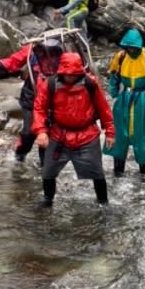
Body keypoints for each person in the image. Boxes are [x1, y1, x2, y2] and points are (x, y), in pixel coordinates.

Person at [31, 52, 115, 208]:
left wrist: (110, 131)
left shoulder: (90, 83)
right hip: (59, 134)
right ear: (61, 71)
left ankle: (103, 202)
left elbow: (103, 108)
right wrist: (41, 131)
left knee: (97, 172)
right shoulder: (49, 84)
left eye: (74, 74)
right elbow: (39, 108)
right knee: (48, 170)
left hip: (87, 135)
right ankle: (48, 200)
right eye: (67, 74)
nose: (70, 77)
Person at [103, 28, 145, 176]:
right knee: (119, 134)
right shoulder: (120, 56)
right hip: (124, 99)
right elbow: (114, 77)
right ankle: (118, 172)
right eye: (128, 47)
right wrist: (114, 94)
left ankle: (143, 174)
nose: (130, 50)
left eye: (133, 47)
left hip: (143, 99)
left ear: (139, 46)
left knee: (144, 134)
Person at [0, 37, 62, 164]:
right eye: (43, 52)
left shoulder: (65, 57)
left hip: (53, 101)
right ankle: (20, 155)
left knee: (48, 134)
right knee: (29, 133)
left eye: (51, 52)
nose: (46, 56)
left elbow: (77, 72)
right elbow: (15, 60)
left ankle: (45, 167)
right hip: (31, 98)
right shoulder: (32, 51)